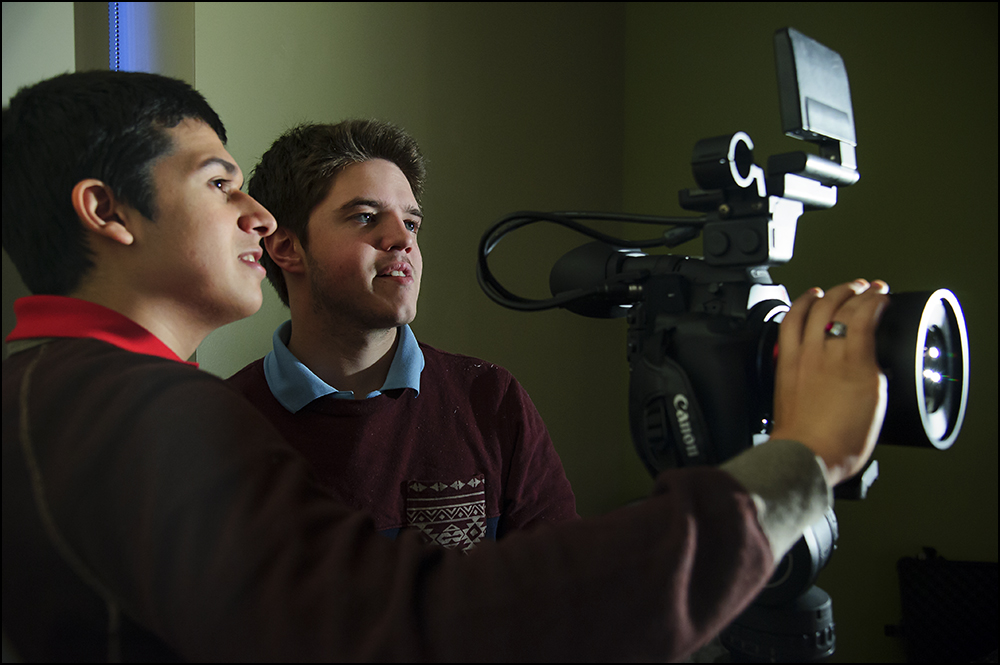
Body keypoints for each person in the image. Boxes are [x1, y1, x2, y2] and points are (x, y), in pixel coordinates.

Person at [2, 70, 888, 662]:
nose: (258, 218)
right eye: (221, 182)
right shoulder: (148, 415)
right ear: (106, 211)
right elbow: (437, 624)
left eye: (412, 223)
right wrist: (799, 465)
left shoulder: (63, 393)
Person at [226, 121, 577, 551]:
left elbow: (563, 588)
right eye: (365, 217)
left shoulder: (490, 399)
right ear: (285, 248)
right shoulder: (220, 424)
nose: (402, 240)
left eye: (411, 223)